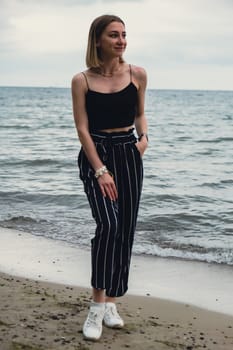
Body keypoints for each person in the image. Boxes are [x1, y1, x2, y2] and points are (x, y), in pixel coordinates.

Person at [71, 14, 148, 341]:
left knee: (125, 229)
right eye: (114, 35)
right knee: (109, 225)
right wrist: (100, 169)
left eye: (124, 35)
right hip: (97, 155)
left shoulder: (138, 74)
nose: (121, 41)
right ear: (98, 40)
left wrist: (144, 140)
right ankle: (96, 308)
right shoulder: (82, 80)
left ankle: (113, 301)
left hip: (129, 154)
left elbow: (140, 113)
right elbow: (82, 128)